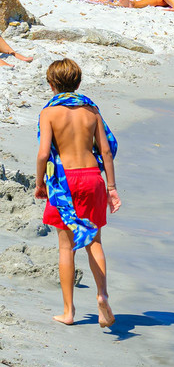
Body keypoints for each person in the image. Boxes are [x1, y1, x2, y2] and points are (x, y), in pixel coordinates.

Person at [36, 56, 119, 329]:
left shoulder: (49, 113)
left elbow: (43, 154)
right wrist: (112, 188)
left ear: (51, 85)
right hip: (92, 178)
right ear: (79, 82)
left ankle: (68, 311)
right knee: (94, 240)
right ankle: (102, 295)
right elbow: (106, 151)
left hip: (65, 182)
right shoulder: (92, 111)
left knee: (66, 247)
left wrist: (39, 185)